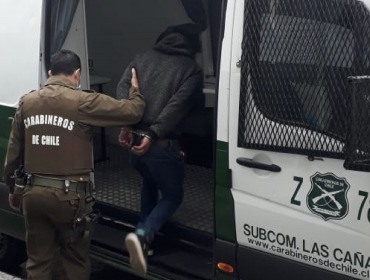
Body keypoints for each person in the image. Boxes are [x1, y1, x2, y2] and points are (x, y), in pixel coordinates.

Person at [3, 49, 145, 280]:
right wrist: (135, 90)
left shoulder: (27, 102)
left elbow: (13, 154)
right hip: (70, 199)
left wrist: (12, 188)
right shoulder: (84, 102)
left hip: (33, 195)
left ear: (50, 73)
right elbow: (132, 112)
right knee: (75, 260)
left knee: (38, 262)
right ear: (77, 74)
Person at [116, 23, 204, 274]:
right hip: (159, 144)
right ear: (193, 45)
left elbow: (123, 88)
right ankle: (143, 234)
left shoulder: (141, 58)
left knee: (149, 183)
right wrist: (153, 133)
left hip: (134, 140)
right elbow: (177, 107)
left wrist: (128, 123)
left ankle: (143, 243)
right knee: (173, 195)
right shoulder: (191, 69)